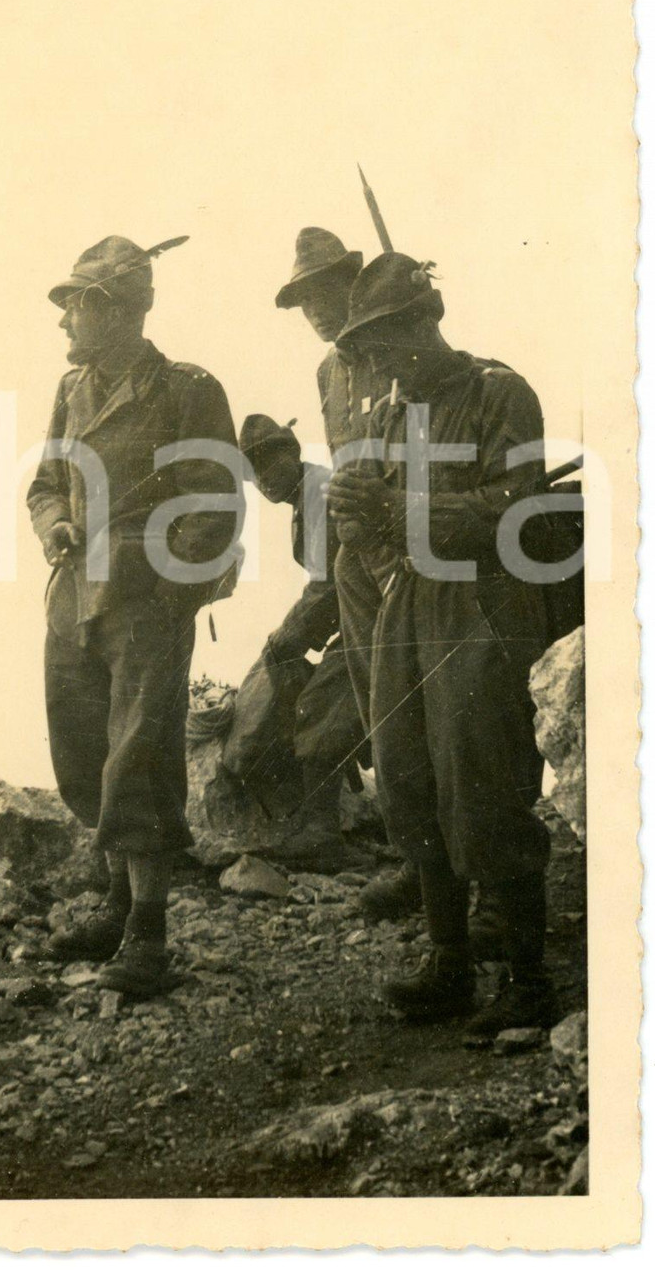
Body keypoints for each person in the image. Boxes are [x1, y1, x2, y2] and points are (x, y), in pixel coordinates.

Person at [327, 252, 556, 1033]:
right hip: (410, 600)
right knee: (407, 774)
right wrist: (360, 514)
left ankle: (529, 979)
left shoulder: (499, 392)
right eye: (370, 347)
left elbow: (516, 506)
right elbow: (379, 520)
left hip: (483, 604)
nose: (378, 360)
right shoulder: (394, 411)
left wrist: (399, 509)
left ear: (429, 323)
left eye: (389, 340)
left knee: (479, 778)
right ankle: (448, 963)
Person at [27, 236, 241, 998]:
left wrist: (169, 588)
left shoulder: (185, 388)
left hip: (144, 603)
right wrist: (54, 522)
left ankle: (147, 938)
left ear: (114, 311)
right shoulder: (73, 389)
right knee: (84, 751)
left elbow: (214, 498)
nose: (63, 326)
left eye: (74, 308)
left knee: (140, 758)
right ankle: (118, 905)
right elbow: (47, 481)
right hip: (74, 602)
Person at [275, 229, 422, 919]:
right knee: (377, 706)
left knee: (438, 707)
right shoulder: (328, 374)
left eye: (323, 291)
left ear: (352, 283)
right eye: (302, 300)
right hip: (360, 554)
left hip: (421, 548)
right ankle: (415, 857)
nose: (314, 311)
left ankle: (454, 869)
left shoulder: (399, 350)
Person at [236, 413, 365, 842]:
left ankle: (320, 834)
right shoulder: (306, 495)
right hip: (359, 617)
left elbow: (327, 586)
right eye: (252, 471)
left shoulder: (318, 493)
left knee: (319, 706)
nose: (262, 478)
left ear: (292, 452)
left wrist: (285, 638)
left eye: (268, 463)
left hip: (375, 620)